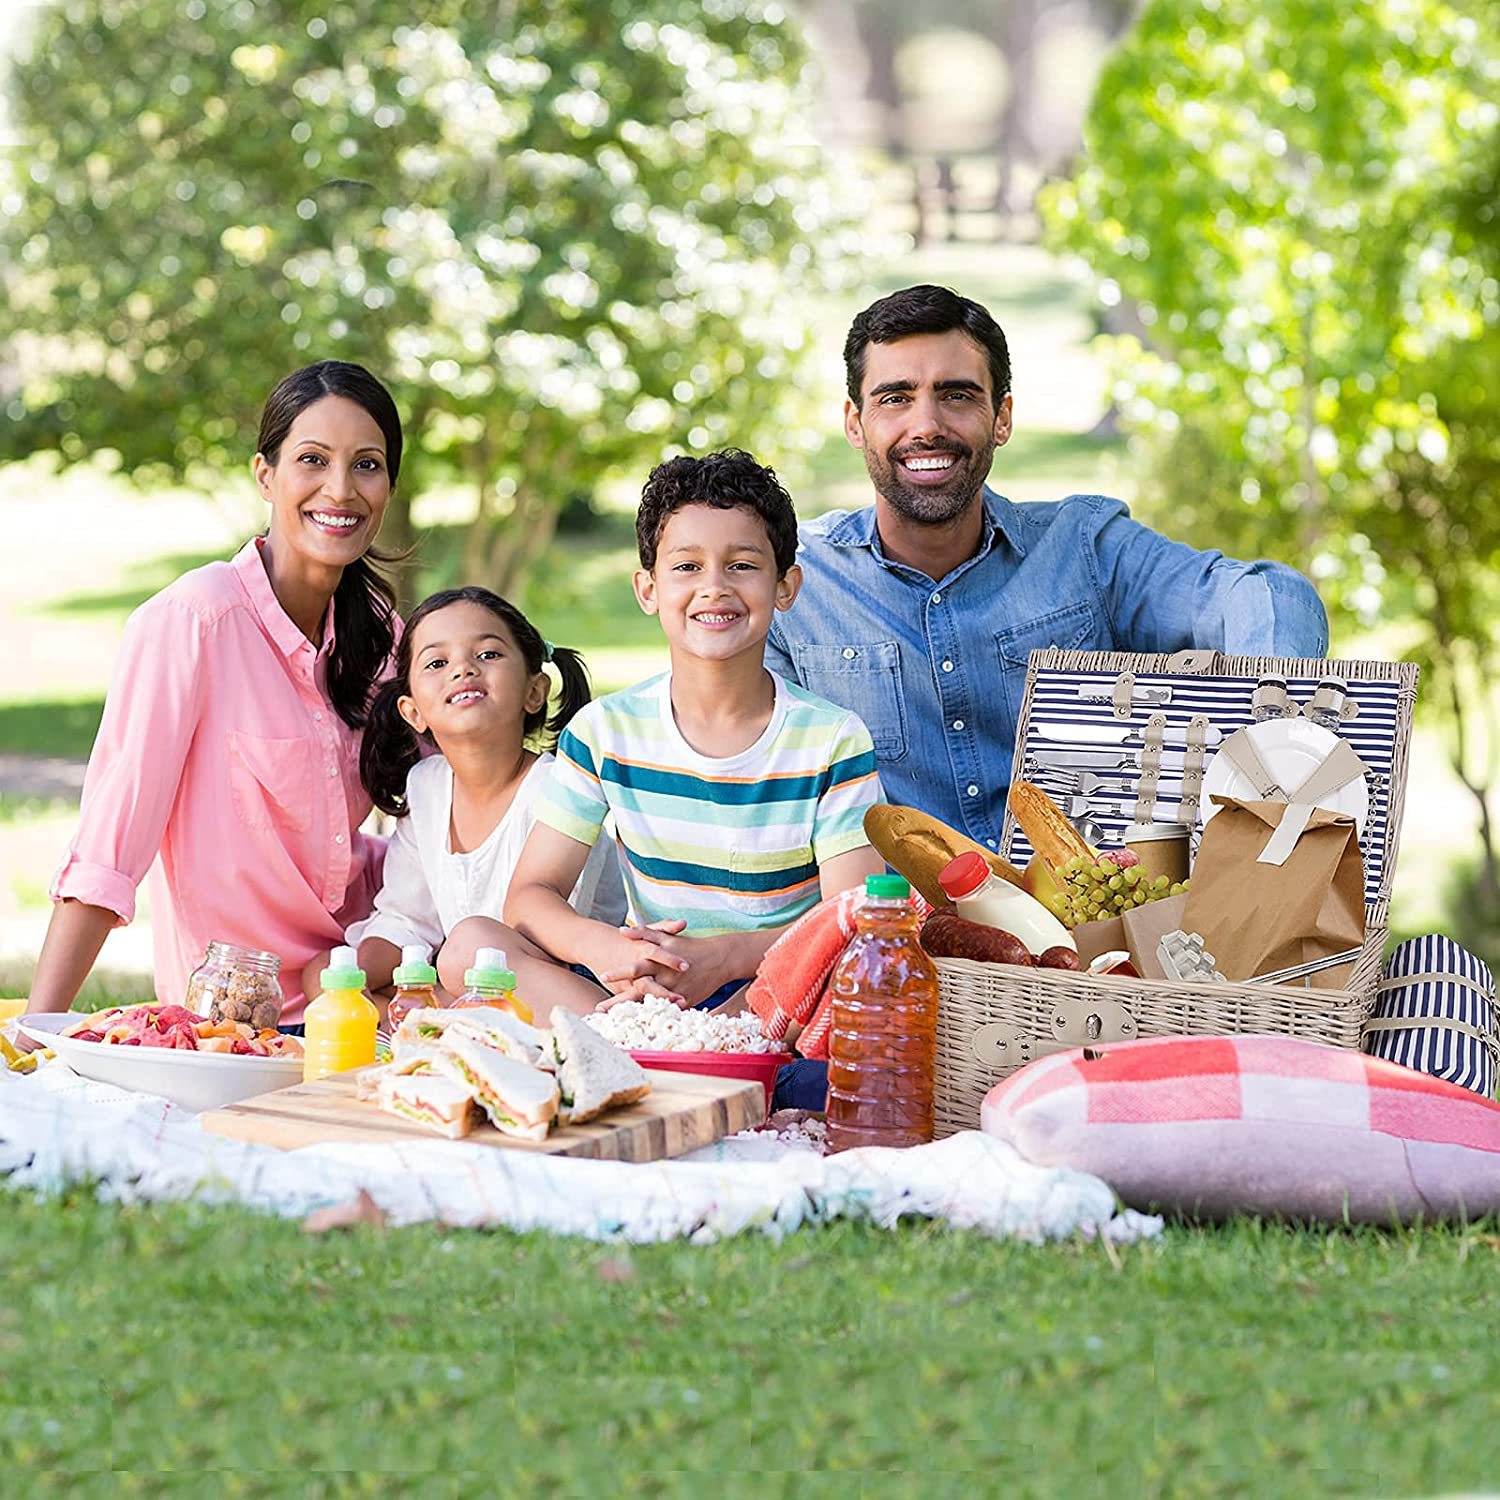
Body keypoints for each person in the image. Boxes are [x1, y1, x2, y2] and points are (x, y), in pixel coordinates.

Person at [764, 284, 1330, 855]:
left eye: (957, 395)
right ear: (855, 423)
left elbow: (1271, 595)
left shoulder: (1083, 548)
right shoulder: (793, 588)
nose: (927, 424)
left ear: (1002, 417)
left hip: (1090, 904)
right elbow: (757, 796)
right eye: (895, 398)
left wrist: (1273, 746)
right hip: (893, 909)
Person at [29, 360, 404, 1026]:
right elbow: (111, 846)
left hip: (364, 996)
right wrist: (36, 1034)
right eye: (313, 460)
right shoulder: (193, 621)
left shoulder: (383, 637)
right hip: (233, 1022)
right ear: (265, 474)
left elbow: (449, 808)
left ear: (389, 486)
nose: (341, 489)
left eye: (366, 465)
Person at [505, 449, 885, 1012]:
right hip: (648, 988)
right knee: (471, 945)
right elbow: (529, 897)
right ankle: (624, 1038)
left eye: (742, 565)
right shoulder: (604, 731)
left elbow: (849, 918)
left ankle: (704, 1047)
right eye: (687, 567)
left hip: (772, 987)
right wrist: (607, 949)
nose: (714, 587)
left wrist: (726, 959)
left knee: (853, 969)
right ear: (648, 589)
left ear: (785, 587)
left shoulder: (832, 740)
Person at [332, 586, 621, 1021]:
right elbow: (406, 920)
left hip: (575, 989)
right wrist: (346, 976)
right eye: (437, 663)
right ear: (413, 712)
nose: (463, 669)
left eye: (488, 654)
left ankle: (442, 1017)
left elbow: (553, 946)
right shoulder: (426, 788)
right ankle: (440, 1017)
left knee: (467, 947)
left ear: (534, 691)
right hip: (468, 984)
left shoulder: (558, 789)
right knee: (331, 975)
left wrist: (435, 995)